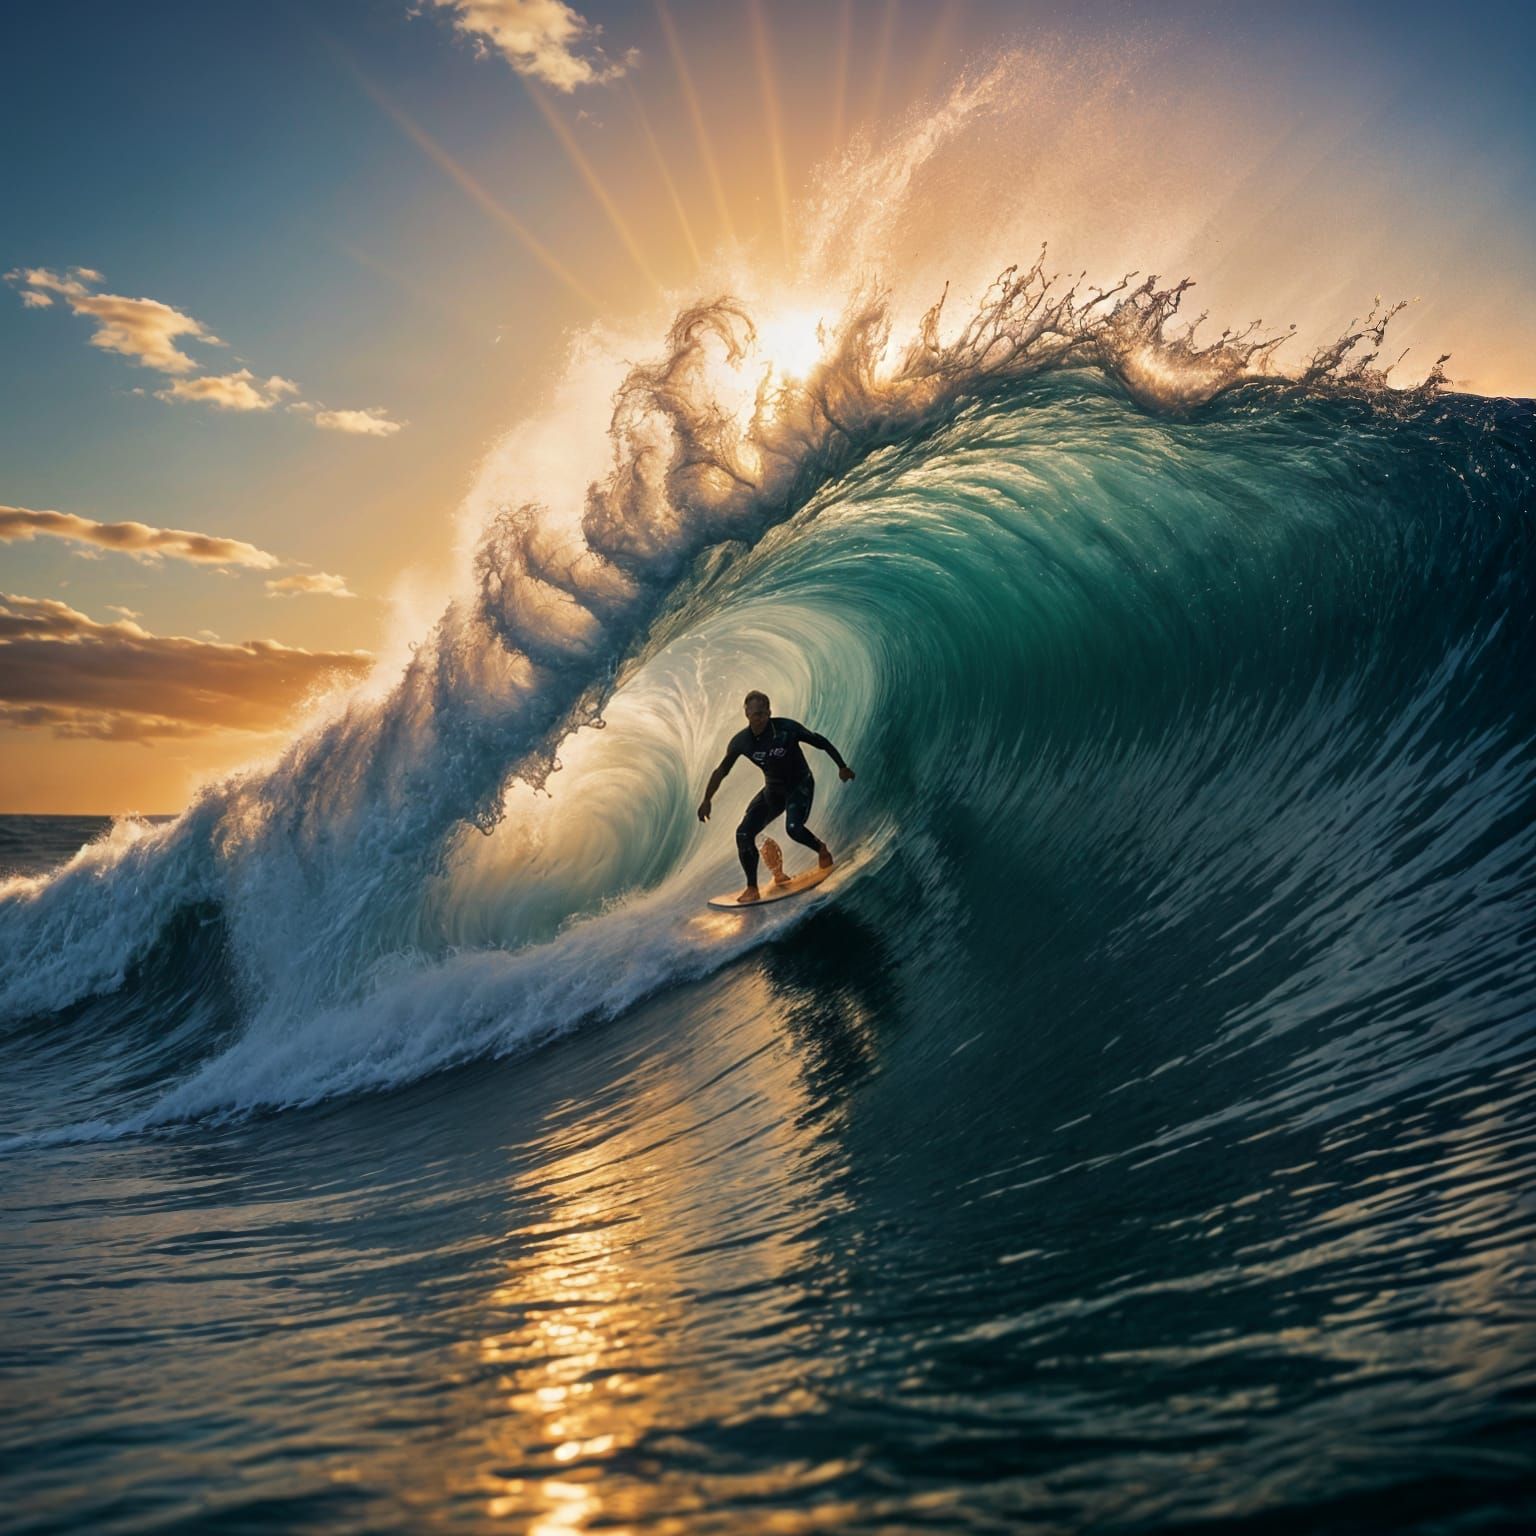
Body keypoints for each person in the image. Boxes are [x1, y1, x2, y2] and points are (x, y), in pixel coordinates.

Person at [697, 690, 856, 904]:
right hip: (773, 791)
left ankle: (822, 850)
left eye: (763, 713)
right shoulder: (741, 742)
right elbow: (721, 771)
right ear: (746, 714)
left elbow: (820, 742)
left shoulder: (786, 729)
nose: (759, 718)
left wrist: (842, 766)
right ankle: (752, 888)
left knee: (794, 829)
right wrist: (707, 800)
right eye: (755, 714)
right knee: (743, 834)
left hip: (800, 785)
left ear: (769, 712)